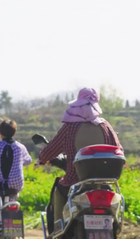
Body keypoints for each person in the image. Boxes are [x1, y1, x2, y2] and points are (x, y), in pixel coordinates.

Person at [37, 88, 122, 229]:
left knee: (59, 188)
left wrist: (42, 159)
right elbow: (119, 151)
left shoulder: (70, 127)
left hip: (74, 181)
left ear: (78, 103)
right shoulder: (105, 126)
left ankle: (58, 229)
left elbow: (50, 150)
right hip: (103, 183)